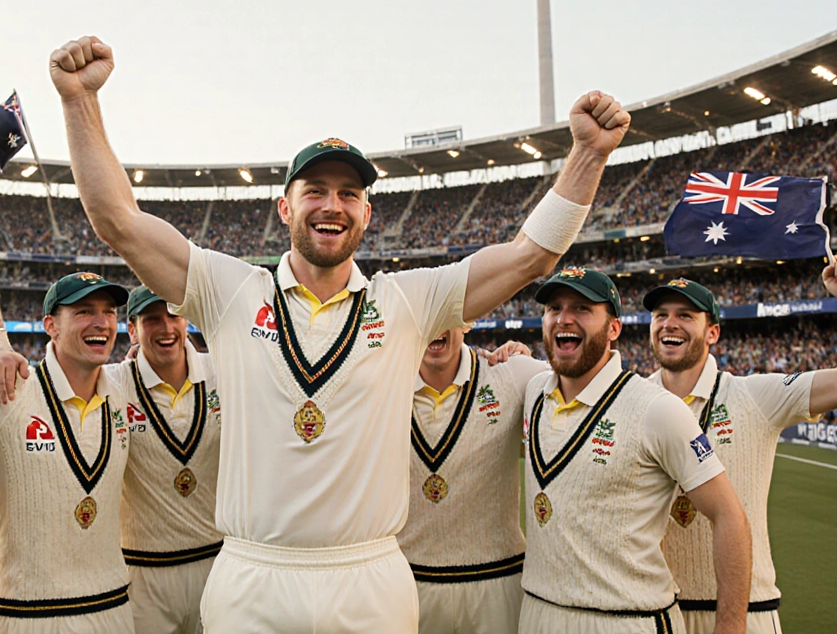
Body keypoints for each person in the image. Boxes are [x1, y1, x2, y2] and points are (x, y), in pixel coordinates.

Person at [48, 34, 630, 633]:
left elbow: (528, 259)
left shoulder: (406, 300)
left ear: (367, 213)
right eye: (316, 192)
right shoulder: (231, 292)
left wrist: (588, 154)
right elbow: (118, 221)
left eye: (350, 194)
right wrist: (79, 102)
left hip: (369, 575)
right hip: (254, 574)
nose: (333, 205)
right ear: (284, 208)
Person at [642, 263, 837, 634]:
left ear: (712, 333)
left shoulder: (754, 395)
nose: (669, 323)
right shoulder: (632, 400)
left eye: (685, 315)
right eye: (661, 315)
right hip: (653, 613)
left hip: (746, 612)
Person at [520, 268, 751, 634]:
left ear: (613, 328)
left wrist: (731, 626)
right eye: (554, 307)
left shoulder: (657, 409)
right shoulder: (532, 391)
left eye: (581, 308)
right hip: (537, 612)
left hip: (626, 618)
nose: (564, 318)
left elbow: (729, 517)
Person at [0, 271, 136, 632]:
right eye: (84, 311)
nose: (101, 323)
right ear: (50, 325)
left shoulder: (124, 393)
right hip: (27, 616)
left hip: (113, 611)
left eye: (108, 312)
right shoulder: (10, 390)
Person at [397, 328, 549, 634]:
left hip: (498, 584)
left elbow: (585, 381)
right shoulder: (382, 382)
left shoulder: (511, 374)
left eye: (447, 313)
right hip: (409, 586)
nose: (435, 326)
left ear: (467, 320)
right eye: (428, 314)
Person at [119, 286, 223, 634]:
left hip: (219, 564)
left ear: (187, 319)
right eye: (151, 320)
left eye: (173, 316)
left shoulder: (223, 372)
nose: (166, 328)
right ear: (132, 330)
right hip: (144, 573)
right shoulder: (113, 384)